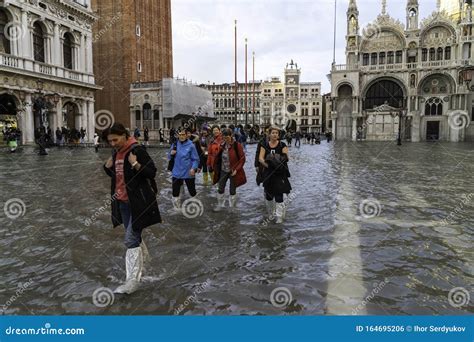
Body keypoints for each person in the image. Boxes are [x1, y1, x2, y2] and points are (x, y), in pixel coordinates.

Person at [103, 123, 161, 294]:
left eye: (115, 140)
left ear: (125, 135)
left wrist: (136, 164)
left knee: (130, 239)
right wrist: (107, 167)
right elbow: (117, 176)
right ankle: (146, 260)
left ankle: (132, 281)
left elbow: (151, 172)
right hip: (122, 202)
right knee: (133, 234)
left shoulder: (137, 150)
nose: (113, 144)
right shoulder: (116, 152)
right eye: (110, 141)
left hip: (139, 202)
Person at [259, 127, 292, 223]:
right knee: (269, 196)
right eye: (273, 133)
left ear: (278, 135)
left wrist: (278, 164)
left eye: (276, 133)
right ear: (269, 134)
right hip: (268, 174)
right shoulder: (264, 145)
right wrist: (269, 165)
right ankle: (270, 213)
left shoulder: (282, 145)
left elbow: (286, 158)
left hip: (280, 174)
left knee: (279, 196)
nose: (275, 134)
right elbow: (261, 158)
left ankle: (279, 217)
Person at [212, 128, 246, 211]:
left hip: (233, 171)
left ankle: (232, 207)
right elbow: (218, 158)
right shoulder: (222, 145)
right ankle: (220, 205)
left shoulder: (237, 145)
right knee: (220, 188)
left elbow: (242, 159)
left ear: (231, 136)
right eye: (224, 137)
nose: (225, 139)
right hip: (223, 170)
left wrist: (236, 170)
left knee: (232, 190)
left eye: (227, 137)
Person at [168, 127, 200, 213]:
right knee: (175, 192)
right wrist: (171, 154)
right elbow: (169, 157)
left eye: (183, 134)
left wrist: (193, 168)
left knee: (192, 191)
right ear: (178, 135)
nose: (181, 136)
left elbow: (196, 159)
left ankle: (194, 206)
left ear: (186, 135)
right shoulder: (174, 144)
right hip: (176, 172)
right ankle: (177, 210)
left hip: (188, 172)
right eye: (180, 134)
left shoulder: (191, 145)